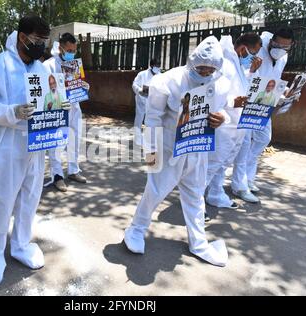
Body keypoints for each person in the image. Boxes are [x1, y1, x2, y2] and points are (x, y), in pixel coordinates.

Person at [124, 36, 230, 267]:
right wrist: (150, 154)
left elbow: (223, 109)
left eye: (209, 70)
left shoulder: (220, 82)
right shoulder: (169, 80)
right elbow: (152, 118)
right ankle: (136, 229)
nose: (204, 73)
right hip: (168, 148)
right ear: (192, 62)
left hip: (198, 149)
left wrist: (221, 118)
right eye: (200, 68)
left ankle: (199, 242)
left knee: (195, 196)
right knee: (155, 191)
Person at [0, 16, 51, 285]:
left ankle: (21, 244)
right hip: (6, 142)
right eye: (37, 40)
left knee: (30, 196)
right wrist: (9, 112)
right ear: (22, 37)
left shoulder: (42, 69)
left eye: (44, 41)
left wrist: (66, 99)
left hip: (37, 143)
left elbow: (51, 99)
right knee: (0, 198)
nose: (40, 46)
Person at [231, 28, 293, 203]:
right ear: (271, 41)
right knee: (244, 144)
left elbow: (275, 79)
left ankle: (248, 178)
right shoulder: (258, 49)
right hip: (248, 101)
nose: (280, 48)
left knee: (263, 139)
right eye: (277, 44)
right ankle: (240, 186)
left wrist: (285, 91)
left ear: (291, 46)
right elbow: (245, 73)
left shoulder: (283, 58)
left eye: (285, 46)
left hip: (265, 102)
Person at [205, 33, 263, 213]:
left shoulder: (236, 63)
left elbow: (241, 86)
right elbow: (213, 91)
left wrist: (252, 72)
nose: (254, 57)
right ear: (243, 48)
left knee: (223, 164)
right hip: (223, 124)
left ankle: (215, 194)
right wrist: (232, 102)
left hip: (236, 124)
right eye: (253, 53)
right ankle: (194, 204)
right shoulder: (224, 63)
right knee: (211, 165)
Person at [44, 33, 89, 192]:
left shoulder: (74, 64)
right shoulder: (48, 65)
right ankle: (57, 176)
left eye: (74, 50)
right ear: (61, 47)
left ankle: (73, 170)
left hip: (74, 107)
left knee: (74, 139)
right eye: (69, 49)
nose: (71, 52)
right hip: (57, 109)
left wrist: (82, 86)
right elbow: (44, 90)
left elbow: (75, 84)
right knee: (57, 143)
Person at [132, 58, 161, 146]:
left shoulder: (160, 75)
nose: (158, 68)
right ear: (151, 66)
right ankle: (137, 138)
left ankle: (149, 139)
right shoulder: (142, 74)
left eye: (159, 66)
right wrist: (139, 90)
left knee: (151, 120)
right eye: (156, 66)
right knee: (139, 118)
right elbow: (134, 84)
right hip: (141, 99)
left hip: (153, 101)